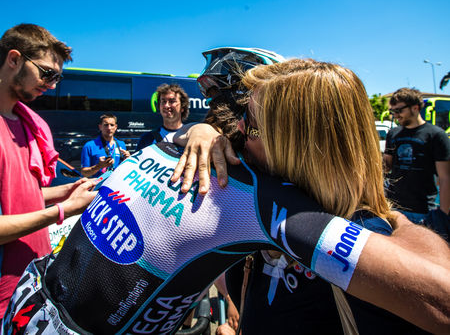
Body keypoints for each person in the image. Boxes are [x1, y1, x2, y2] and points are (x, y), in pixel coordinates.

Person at [4, 61, 449, 334]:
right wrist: (200, 130)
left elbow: (441, 300)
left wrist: (390, 218)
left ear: (295, 140)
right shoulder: (232, 173)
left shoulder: (270, 202)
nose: (234, 128)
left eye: (247, 122)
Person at [0, 23, 97, 317]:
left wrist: (65, 191)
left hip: (29, 286)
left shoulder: (26, 124)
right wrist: (63, 210)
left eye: (57, 77)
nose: (52, 85)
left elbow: (17, 197)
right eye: (47, 73)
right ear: (14, 59)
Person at [383, 87, 450, 223]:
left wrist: (443, 214)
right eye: (393, 111)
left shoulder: (436, 135)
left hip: (424, 210)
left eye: (399, 110)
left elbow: (445, 178)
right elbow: (386, 167)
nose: (396, 115)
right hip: (394, 207)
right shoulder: (393, 134)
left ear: (415, 108)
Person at [136, 83, 190, 150]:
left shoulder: (191, 136)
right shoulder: (147, 139)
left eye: (172, 101)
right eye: (163, 102)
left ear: (182, 107)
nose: (166, 106)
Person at [81, 113, 130, 178]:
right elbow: (84, 173)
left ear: (115, 127)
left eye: (112, 125)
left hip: (115, 182)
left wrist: (128, 160)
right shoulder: (89, 146)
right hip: (98, 183)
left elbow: (125, 169)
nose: (109, 128)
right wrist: (98, 166)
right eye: (106, 125)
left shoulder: (121, 144)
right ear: (100, 127)